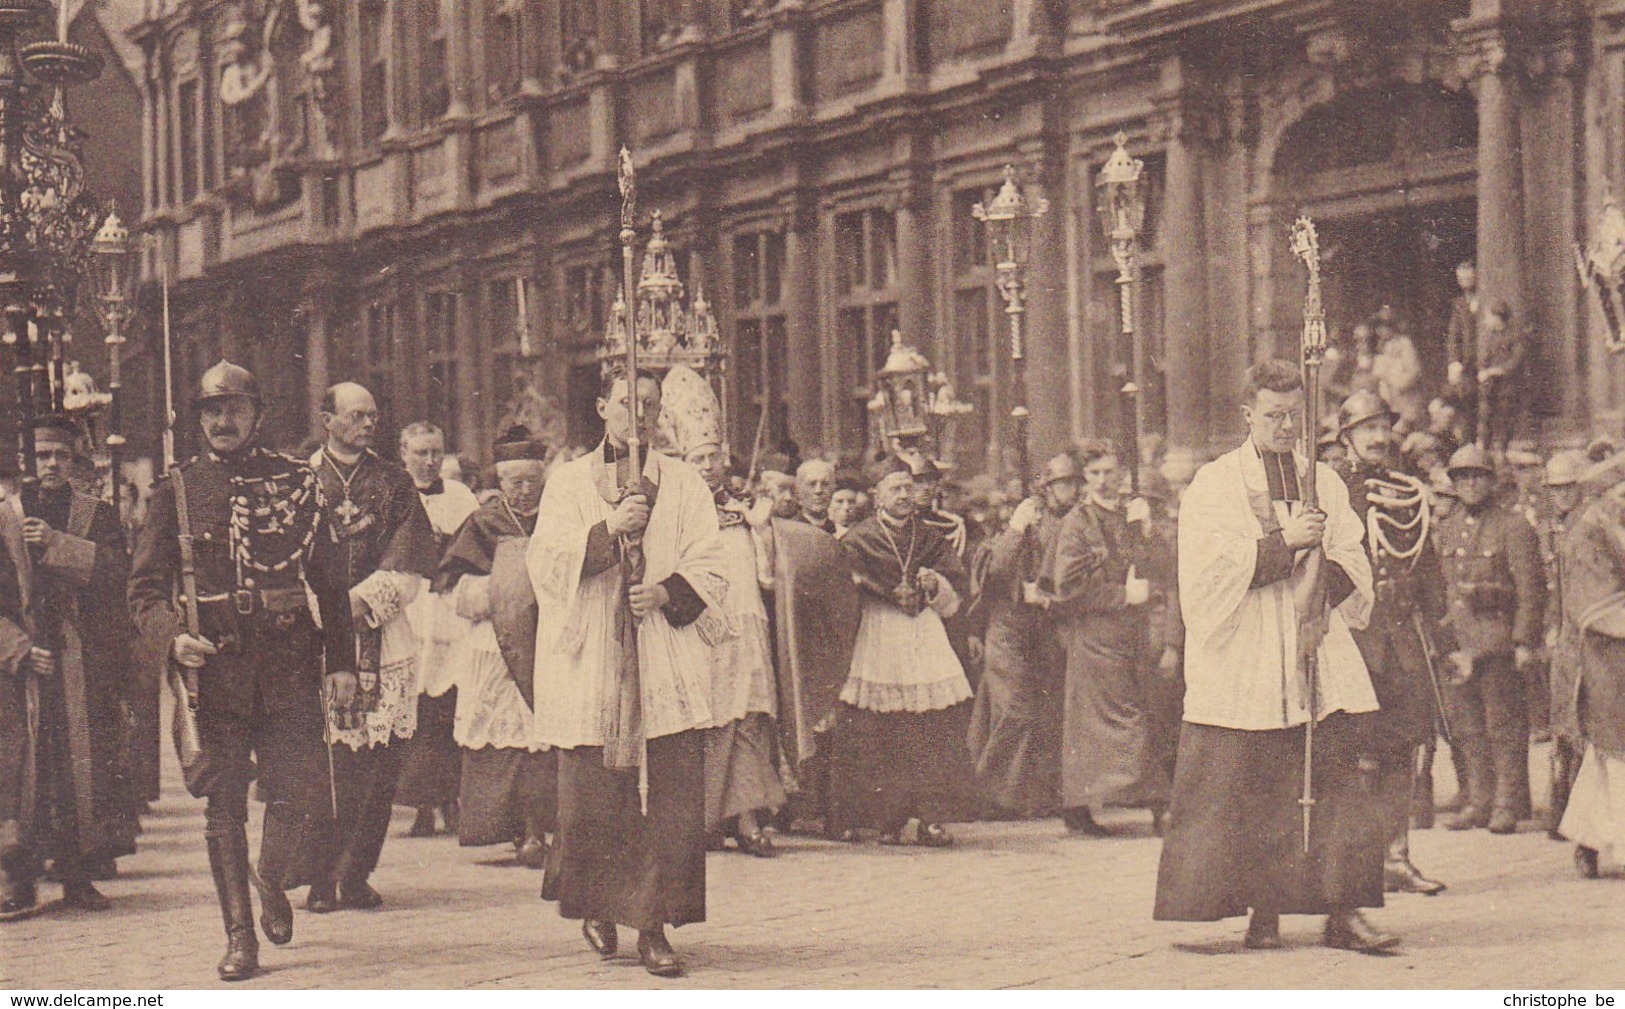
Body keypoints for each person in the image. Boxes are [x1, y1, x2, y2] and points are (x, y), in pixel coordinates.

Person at [127, 361, 357, 980]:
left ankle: (270, 877)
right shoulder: (176, 491)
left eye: (233, 409)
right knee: (224, 804)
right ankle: (239, 938)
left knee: (301, 792)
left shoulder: (297, 484)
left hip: (288, 658)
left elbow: (331, 584)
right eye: (209, 410)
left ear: (258, 415)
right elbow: (144, 590)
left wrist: (342, 663)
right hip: (218, 666)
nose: (221, 421)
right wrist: (173, 638)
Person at [1154, 359, 1392, 953]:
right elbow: (1206, 574)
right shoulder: (1214, 484)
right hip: (1248, 655)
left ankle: (1344, 913)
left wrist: (1316, 586)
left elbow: (1356, 560)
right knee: (1254, 786)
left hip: (1316, 647)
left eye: (1294, 416)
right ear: (1248, 415)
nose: (1287, 427)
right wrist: (1285, 544)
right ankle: (1263, 912)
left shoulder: (1326, 482)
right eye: (1273, 416)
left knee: (1336, 781)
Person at [527, 368, 724, 978]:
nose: (637, 414)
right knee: (594, 799)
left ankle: (654, 925)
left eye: (649, 404)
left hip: (661, 648)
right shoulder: (566, 483)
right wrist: (606, 532)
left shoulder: (685, 482)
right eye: (626, 402)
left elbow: (711, 560)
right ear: (601, 407)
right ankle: (599, 901)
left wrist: (667, 591)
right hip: (593, 656)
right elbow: (545, 561)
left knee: (669, 797)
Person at [305, 382, 437, 913]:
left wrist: (360, 604)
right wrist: (329, 610)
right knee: (325, 764)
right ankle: (318, 877)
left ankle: (356, 873)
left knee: (379, 765)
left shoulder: (394, 481)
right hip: (314, 640)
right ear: (326, 418)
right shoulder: (298, 480)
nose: (366, 424)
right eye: (356, 415)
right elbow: (284, 559)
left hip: (383, 637)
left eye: (373, 415)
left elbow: (410, 563)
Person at [0, 415, 135, 917]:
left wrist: (58, 545)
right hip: (21, 663)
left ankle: (78, 873)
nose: (51, 464)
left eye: (59, 455)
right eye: (41, 456)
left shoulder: (95, 514)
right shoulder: (7, 514)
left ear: (74, 460)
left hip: (79, 656)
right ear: (27, 462)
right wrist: (15, 649)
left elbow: (120, 572)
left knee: (80, 766)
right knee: (23, 768)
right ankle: (18, 876)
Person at [1331, 390, 1454, 896]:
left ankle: (1397, 857)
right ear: (1347, 439)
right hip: (1351, 643)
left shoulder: (1407, 492)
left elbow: (1428, 573)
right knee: (1357, 754)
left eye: (1383, 428)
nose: (1379, 437)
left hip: (1401, 641)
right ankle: (1357, 866)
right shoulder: (1332, 492)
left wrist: (1446, 644)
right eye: (1367, 430)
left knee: (1403, 748)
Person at [663, 367, 786, 856]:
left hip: (746, 624)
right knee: (709, 719)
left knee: (749, 715)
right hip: (700, 627)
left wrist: (761, 531)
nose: (709, 466)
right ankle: (708, 817)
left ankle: (749, 816)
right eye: (698, 458)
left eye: (715, 457)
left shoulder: (745, 508)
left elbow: (766, 575)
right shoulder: (675, 513)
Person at [829, 457, 971, 846]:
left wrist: (934, 583)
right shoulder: (858, 538)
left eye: (909, 488)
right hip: (878, 632)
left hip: (922, 632)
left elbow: (957, 582)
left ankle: (930, 818)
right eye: (896, 488)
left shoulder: (929, 536)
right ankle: (888, 819)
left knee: (931, 727)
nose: (905, 495)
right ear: (876, 495)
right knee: (883, 730)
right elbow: (842, 589)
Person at [434, 427, 555, 868]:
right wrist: (494, 592)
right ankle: (519, 829)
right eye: (514, 483)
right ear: (500, 483)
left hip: (547, 640)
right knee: (507, 741)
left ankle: (545, 828)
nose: (524, 492)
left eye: (532, 482)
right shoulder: (485, 522)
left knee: (544, 740)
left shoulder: (559, 516)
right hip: (493, 642)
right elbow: (449, 582)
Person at [1047, 440, 1158, 835]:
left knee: (1140, 710)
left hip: (1135, 632)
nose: (1102, 480)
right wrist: (1122, 595)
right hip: (1095, 635)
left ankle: (1139, 800)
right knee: (1105, 722)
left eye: (1109, 471)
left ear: (1122, 473)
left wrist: (1149, 530)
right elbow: (1067, 587)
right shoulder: (1077, 523)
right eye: (1094, 473)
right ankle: (1082, 805)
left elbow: (1158, 567)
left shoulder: (1131, 514)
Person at [1435, 444, 1544, 834]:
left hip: (1498, 642)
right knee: (1468, 727)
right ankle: (1480, 800)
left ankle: (1507, 803)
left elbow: (1531, 589)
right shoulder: (1446, 529)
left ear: (1491, 481)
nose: (1469, 484)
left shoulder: (1514, 527)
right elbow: (1443, 589)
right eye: (1461, 478)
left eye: (1477, 476)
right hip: (1460, 644)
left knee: (1505, 726)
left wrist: (1523, 642)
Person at [965, 453, 1077, 818]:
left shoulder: (1069, 522)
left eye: (1073, 482)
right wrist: (1016, 528)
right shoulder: (1017, 523)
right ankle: (989, 792)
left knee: (1042, 710)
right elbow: (994, 570)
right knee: (1014, 710)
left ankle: (1028, 796)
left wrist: (1046, 594)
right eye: (1062, 483)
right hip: (1008, 626)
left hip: (1045, 626)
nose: (1069, 490)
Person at [395, 422, 480, 839]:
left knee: (450, 700)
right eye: (421, 453)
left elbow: (475, 547)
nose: (429, 462)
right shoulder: (393, 494)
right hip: (411, 607)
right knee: (416, 703)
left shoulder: (461, 496)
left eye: (436, 452)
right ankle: (421, 804)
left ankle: (452, 798)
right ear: (404, 454)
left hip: (448, 605)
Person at [1556, 452, 1625, 879]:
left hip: (1616, 659)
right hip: (1600, 660)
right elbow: (1597, 606)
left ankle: (1587, 840)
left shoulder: (1611, 528)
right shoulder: (1587, 535)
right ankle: (1599, 843)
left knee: (1608, 759)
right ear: (1601, 495)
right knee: (1613, 756)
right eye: (1619, 492)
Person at [1542, 450, 1587, 838]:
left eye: (1568, 487)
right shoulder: (1549, 529)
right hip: (1564, 640)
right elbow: (1549, 589)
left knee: (1587, 726)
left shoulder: (1592, 527)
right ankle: (1562, 812)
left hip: (1590, 637)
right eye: (1555, 489)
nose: (1562, 495)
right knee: (1563, 728)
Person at [1478, 302, 1526, 454]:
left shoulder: (1515, 335)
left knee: (1505, 416)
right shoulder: (1490, 335)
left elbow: (1516, 361)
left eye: (1489, 316)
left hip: (1508, 385)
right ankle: (1484, 450)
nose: (1486, 320)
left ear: (1498, 318)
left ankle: (1502, 449)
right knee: (1486, 417)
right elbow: (1484, 358)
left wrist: (1495, 371)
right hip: (1491, 386)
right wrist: (1483, 370)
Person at [794, 459, 836, 534]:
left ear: (833, 490)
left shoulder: (838, 531)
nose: (818, 490)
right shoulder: (789, 528)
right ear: (798, 491)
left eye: (824, 484)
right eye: (812, 484)